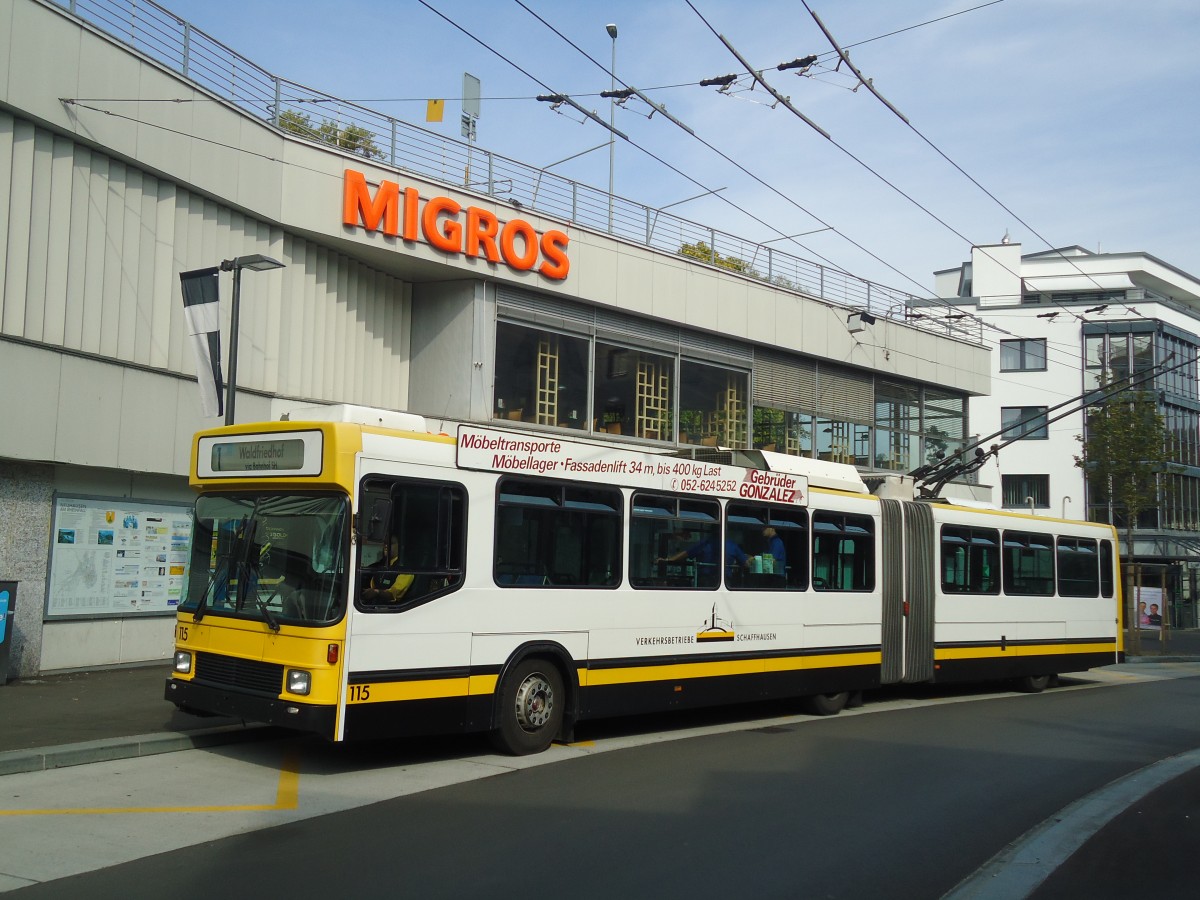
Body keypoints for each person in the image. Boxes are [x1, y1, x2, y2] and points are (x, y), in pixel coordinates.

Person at [361, 536, 414, 603]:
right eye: (385, 543)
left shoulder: (405, 569)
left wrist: (376, 592)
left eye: (391, 543)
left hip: (391, 609)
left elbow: (393, 594)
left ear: (400, 547)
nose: (386, 545)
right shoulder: (380, 565)